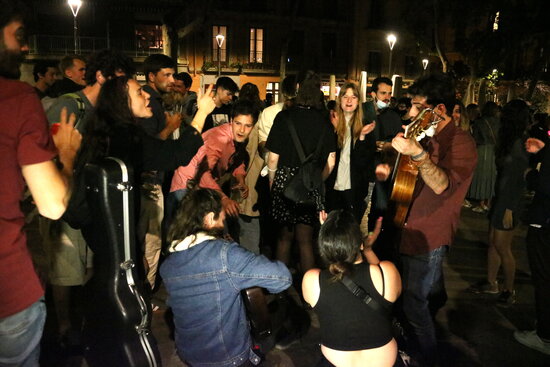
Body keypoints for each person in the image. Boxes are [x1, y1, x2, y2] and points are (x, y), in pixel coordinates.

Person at [0, 1, 82, 365]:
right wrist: (66, 155)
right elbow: (52, 204)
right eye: (18, 37)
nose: (25, 47)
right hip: (7, 291)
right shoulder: (17, 98)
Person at [377, 73, 477, 366]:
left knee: (414, 305)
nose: (409, 113)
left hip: (429, 234)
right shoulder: (425, 133)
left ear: (440, 110)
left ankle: (428, 357)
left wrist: (417, 152)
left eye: (417, 106)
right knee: (411, 295)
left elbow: (441, 185)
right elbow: (407, 177)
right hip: (404, 225)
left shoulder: (461, 142)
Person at [160, 188, 292, 367]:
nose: (224, 224)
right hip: (228, 357)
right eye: (221, 219)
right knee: (279, 311)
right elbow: (282, 278)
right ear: (208, 218)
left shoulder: (169, 264)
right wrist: (238, 253)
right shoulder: (225, 255)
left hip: (189, 354)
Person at [302, 210, 401, 367]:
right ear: (360, 243)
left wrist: (330, 236)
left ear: (324, 245)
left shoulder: (311, 279)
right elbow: (380, 276)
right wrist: (368, 250)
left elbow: (336, 269)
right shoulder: (386, 271)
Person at [266, 70, 337, 274]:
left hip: (285, 182)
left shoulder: (284, 117)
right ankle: (308, 290)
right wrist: (316, 181)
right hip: (310, 183)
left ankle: (279, 289)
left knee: (284, 238)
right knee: (306, 240)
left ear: (298, 89)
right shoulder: (324, 121)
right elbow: (331, 160)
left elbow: (273, 157)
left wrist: (274, 181)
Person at [468, 100, 530, 306]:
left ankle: (509, 289)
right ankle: (491, 282)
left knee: (503, 246)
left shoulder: (518, 144)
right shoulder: (512, 140)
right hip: (501, 197)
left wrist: (509, 208)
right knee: (493, 243)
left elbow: (516, 180)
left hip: (509, 201)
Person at [168, 100, 259, 221]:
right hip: (186, 186)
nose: (242, 130)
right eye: (238, 123)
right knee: (183, 234)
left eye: (247, 126)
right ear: (231, 121)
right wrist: (223, 199)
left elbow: (237, 158)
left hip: (204, 189)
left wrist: (240, 179)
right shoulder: (218, 139)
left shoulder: (238, 138)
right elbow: (203, 173)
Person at [137, 53, 182, 290]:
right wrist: (170, 127)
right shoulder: (148, 103)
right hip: (148, 181)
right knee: (151, 240)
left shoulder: (157, 100)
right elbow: (149, 146)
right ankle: (146, 292)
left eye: (173, 74)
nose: (172, 79)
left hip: (154, 179)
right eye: (167, 74)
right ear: (151, 76)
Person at [514, 136, 550, 355]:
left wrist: (531, 175)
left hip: (545, 222)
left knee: (544, 278)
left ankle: (545, 336)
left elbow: (546, 185)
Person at [325, 82, 376, 221]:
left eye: (353, 97)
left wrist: (362, 137)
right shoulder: (329, 121)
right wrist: (335, 131)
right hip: (331, 185)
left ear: (358, 101)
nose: (349, 101)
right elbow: (325, 154)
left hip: (354, 187)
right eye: (345, 96)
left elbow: (363, 163)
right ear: (339, 99)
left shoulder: (365, 125)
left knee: (350, 230)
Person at [468, 101, 500, 213]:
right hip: (494, 151)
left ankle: (481, 203)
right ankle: (489, 202)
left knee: (482, 176)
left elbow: (475, 138)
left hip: (482, 151)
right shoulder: (499, 122)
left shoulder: (479, 122)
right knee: (492, 176)